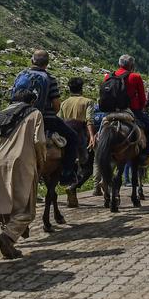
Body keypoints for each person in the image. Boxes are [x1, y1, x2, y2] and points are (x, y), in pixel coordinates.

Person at [0, 89, 46, 259]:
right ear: (31, 102)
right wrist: (41, 160)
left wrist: (2, 149)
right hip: (23, 161)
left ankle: (9, 246)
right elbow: (39, 141)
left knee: (5, 203)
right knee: (27, 209)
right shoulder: (35, 113)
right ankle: (7, 237)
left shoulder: (0, 115)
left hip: (0, 162)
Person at [12, 50, 80, 187]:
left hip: (17, 117)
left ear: (32, 61)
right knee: (72, 137)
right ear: (47, 63)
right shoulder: (50, 78)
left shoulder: (20, 75)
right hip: (44, 119)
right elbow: (56, 105)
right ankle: (67, 174)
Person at [101, 54, 149, 168]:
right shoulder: (135, 77)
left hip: (110, 111)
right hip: (132, 111)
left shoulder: (108, 77)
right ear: (131, 65)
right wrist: (140, 108)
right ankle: (145, 156)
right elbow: (142, 99)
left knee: (100, 129)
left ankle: (94, 149)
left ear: (119, 64)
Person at [57, 77, 95, 207]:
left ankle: (70, 195)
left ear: (69, 89)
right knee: (88, 168)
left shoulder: (64, 103)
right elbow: (90, 120)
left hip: (65, 135)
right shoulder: (88, 101)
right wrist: (91, 136)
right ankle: (73, 186)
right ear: (81, 88)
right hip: (80, 135)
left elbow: (59, 120)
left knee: (69, 163)